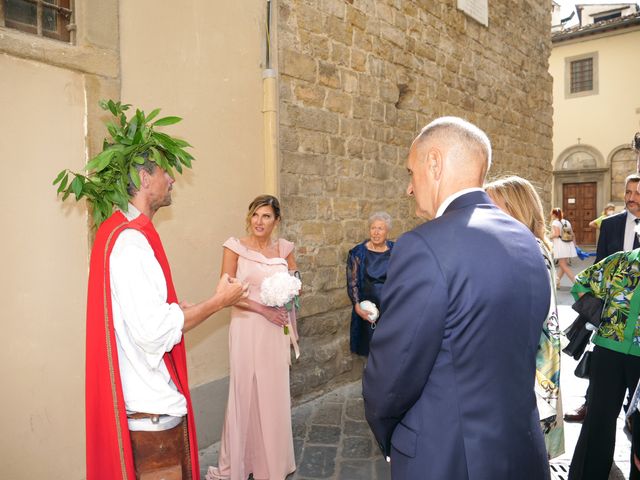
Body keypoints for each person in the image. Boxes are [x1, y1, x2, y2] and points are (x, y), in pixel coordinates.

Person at [362, 117, 551, 479]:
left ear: (434, 163)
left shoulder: (424, 246)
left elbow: (393, 373)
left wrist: (391, 436)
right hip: (519, 447)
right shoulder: (525, 238)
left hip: (448, 455)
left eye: (411, 170)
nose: (409, 188)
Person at [86, 157, 248, 480]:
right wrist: (219, 302)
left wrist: (186, 308)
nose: (172, 179)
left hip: (148, 410)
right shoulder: (130, 244)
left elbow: (148, 317)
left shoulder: (119, 232)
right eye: (165, 172)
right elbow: (153, 331)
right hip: (151, 413)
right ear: (145, 178)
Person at [207, 194, 298, 480]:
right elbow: (224, 293)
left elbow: (296, 281)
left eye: (267, 216)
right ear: (250, 218)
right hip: (247, 324)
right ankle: (238, 462)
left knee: (273, 393)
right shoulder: (234, 247)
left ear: (277, 220)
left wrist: (290, 292)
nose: (259, 221)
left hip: (275, 330)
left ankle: (271, 465)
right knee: (244, 391)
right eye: (256, 215)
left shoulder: (284, 249)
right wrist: (263, 309)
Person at [485, 176, 564, 459]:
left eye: (491, 206)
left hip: (527, 368)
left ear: (515, 209)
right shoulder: (527, 245)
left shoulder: (526, 250)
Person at [565, 173, 640, 424]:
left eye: (637, 193)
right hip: (611, 315)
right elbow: (598, 267)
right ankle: (590, 404)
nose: (631, 198)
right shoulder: (611, 224)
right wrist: (597, 309)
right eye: (628, 192)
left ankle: (632, 413)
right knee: (600, 365)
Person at [568, 244, 640, 480]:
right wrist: (601, 318)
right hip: (608, 353)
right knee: (598, 420)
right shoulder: (621, 261)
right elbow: (581, 284)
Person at [346, 212, 395, 356]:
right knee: (370, 349)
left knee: (389, 348)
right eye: (373, 228)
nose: (376, 232)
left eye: (380, 228)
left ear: (387, 231)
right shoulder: (358, 252)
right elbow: (352, 282)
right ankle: (371, 377)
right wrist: (357, 306)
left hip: (390, 308)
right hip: (367, 309)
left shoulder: (396, 250)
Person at [550, 207, 577, 287]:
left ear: (554, 214)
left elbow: (557, 234)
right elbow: (572, 234)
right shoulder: (566, 221)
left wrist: (548, 236)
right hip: (568, 244)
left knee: (562, 264)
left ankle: (576, 282)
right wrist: (574, 245)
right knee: (563, 265)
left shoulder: (555, 222)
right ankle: (557, 282)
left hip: (560, 245)